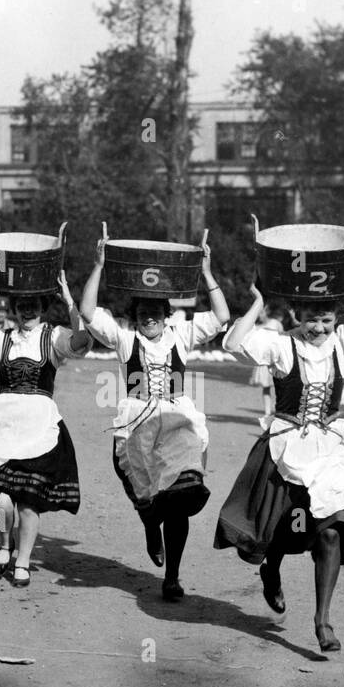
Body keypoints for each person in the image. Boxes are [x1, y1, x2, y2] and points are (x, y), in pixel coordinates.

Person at [214, 232, 344, 653]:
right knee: (277, 528)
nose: (319, 327)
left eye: (327, 320)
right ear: (297, 312)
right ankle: (270, 569)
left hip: (330, 447)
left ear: (337, 319)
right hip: (286, 444)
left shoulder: (343, 342)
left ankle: (322, 620)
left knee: (330, 531)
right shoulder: (281, 345)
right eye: (312, 318)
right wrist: (258, 302)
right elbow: (232, 342)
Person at [79, 236, 229, 599]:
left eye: (155, 311)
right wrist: (99, 265)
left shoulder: (181, 336)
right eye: (143, 311)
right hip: (136, 417)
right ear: (135, 315)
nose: (149, 317)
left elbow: (223, 317)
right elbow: (87, 312)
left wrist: (207, 272)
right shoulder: (125, 339)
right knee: (144, 492)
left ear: (166, 313)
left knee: (180, 495)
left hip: (176, 416)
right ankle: (149, 522)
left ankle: (173, 577)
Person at [0, 273, 90, 589]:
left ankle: (23, 560)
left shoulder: (52, 338)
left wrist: (70, 302)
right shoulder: (0, 339)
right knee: (0, 501)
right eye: (22, 304)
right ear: (14, 307)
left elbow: (83, 342)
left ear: (43, 306)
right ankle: (4, 543)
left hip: (38, 429)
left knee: (29, 501)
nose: (28, 310)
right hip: (2, 427)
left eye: (34, 304)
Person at [248, 304, 283, 427]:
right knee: (266, 387)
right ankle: (267, 412)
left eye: (261, 313)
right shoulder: (257, 327)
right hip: (264, 360)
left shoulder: (275, 323)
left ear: (266, 312)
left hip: (276, 359)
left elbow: (283, 337)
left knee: (280, 386)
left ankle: (280, 411)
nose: (260, 316)